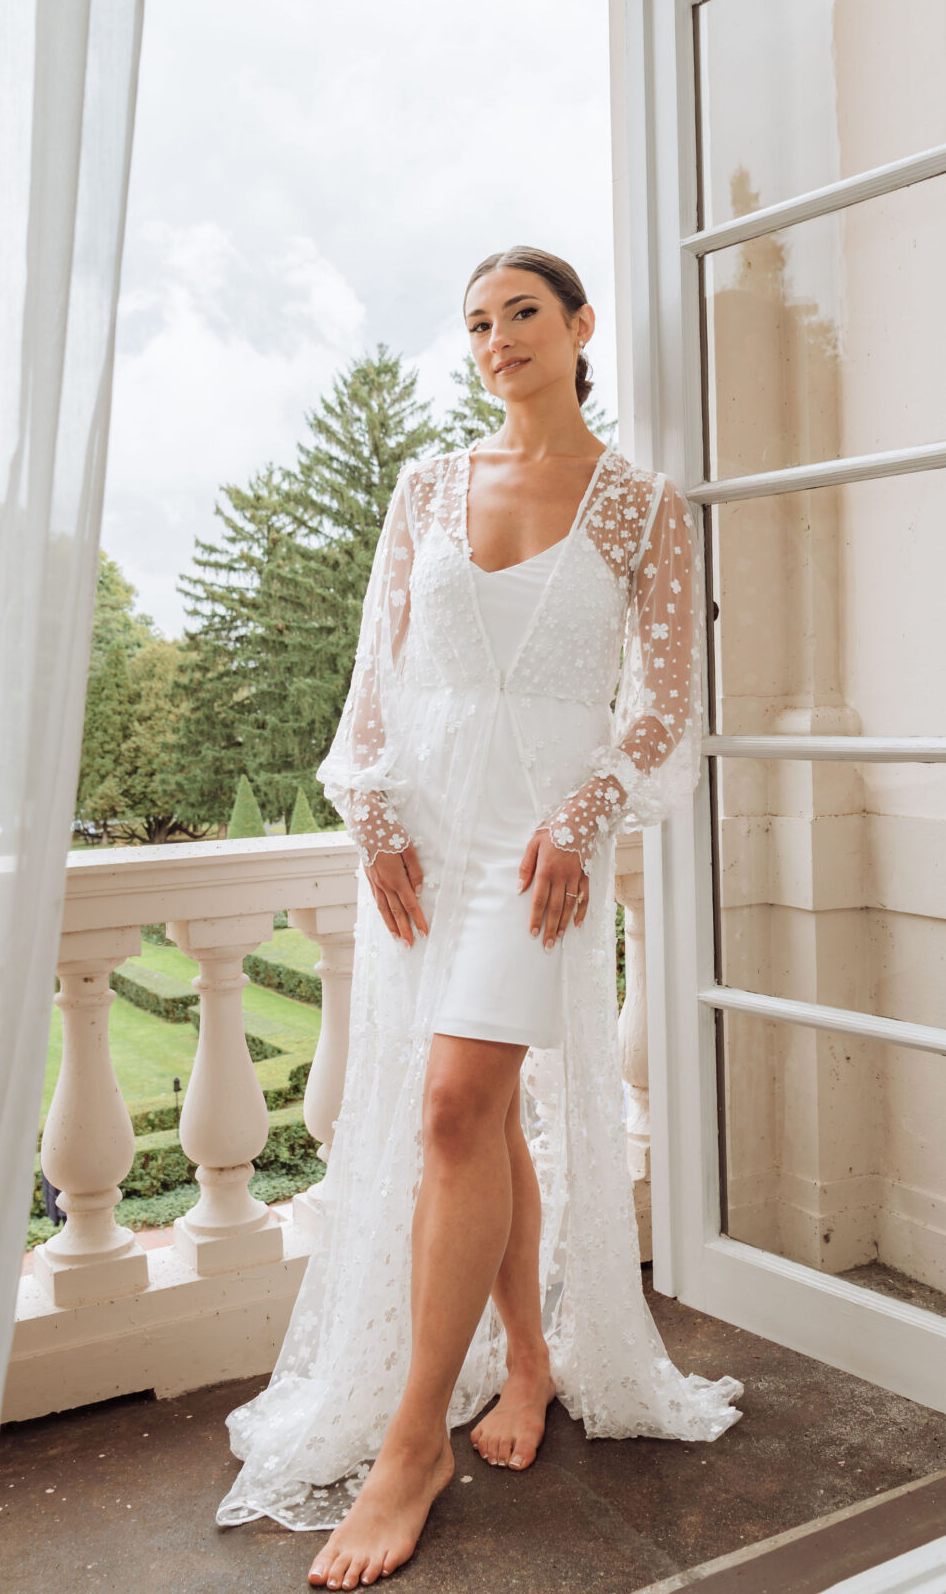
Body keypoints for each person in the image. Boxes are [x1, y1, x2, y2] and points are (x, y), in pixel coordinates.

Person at [214, 245, 744, 1589]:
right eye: (475, 323)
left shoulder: (638, 507)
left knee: (455, 1105)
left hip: (539, 845)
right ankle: (524, 1364)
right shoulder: (424, 486)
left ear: (577, 328)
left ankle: (410, 1445)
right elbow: (376, 680)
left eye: (521, 313)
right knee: (481, 1111)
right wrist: (373, 811)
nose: (496, 337)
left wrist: (586, 816)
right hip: (427, 831)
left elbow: (663, 708)